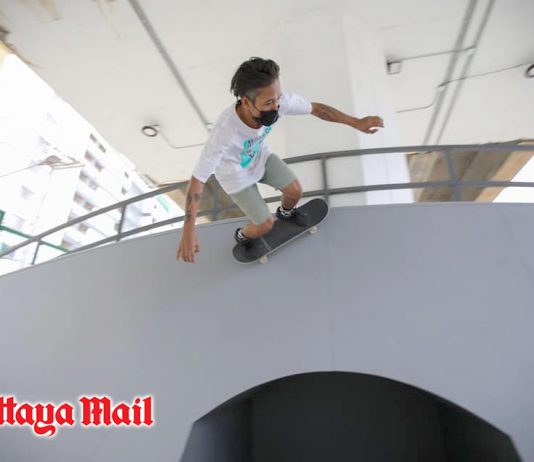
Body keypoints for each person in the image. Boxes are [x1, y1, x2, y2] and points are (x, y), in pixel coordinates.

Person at [177, 57, 384, 263]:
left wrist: (355, 122)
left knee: (295, 191)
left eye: (277, 98)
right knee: (265, 224)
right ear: (247, 102)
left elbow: (317, 109)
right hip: (236, 176)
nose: (276, 106)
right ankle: (242, 235)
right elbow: (197, 181)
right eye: (268, 102)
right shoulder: (224, 132)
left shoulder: (279, 102)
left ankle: (285, 213)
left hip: (261, 157)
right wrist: (189, 231)